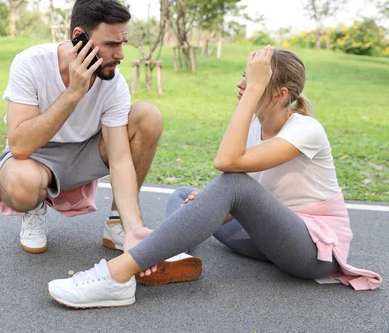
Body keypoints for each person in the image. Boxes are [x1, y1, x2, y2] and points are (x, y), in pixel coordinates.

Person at [47, 46, 382, 309]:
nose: (240, 85)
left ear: (279, 94)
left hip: (310, 252)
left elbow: (227, 164)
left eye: (250, 80)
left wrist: (250, 99)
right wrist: (208, 205)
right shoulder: (255, 125)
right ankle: (168, 256)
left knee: (232, 183)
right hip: (272, 238)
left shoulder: (306, 130)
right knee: (183, 196)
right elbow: (255, 192)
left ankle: (118, 276)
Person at [0, 0, 166, 256]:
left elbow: (120, 161)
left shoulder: (114, 84)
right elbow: (18, 146)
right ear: (79, 37)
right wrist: (73, 94)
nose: (120, 55)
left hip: (85, 154)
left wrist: (135, 227)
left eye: (123, 43)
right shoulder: (30, 63)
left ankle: (117, 224)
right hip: (34, 156)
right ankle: (34, 209)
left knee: (148, 116)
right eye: (111, 44)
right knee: (21, 184)